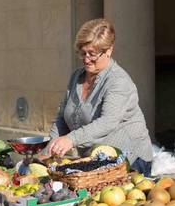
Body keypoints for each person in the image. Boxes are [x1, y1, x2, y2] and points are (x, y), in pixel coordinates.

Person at [47, 18, 152, 172]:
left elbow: (108, 122)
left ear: (109, 51)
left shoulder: (119, 81)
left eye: (92, 54)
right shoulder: (76, 76)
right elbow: (62, 117)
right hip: (93, 160)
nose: (86, 59)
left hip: (130, 160)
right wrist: (51, 146)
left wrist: (71, 139)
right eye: (83, 53)